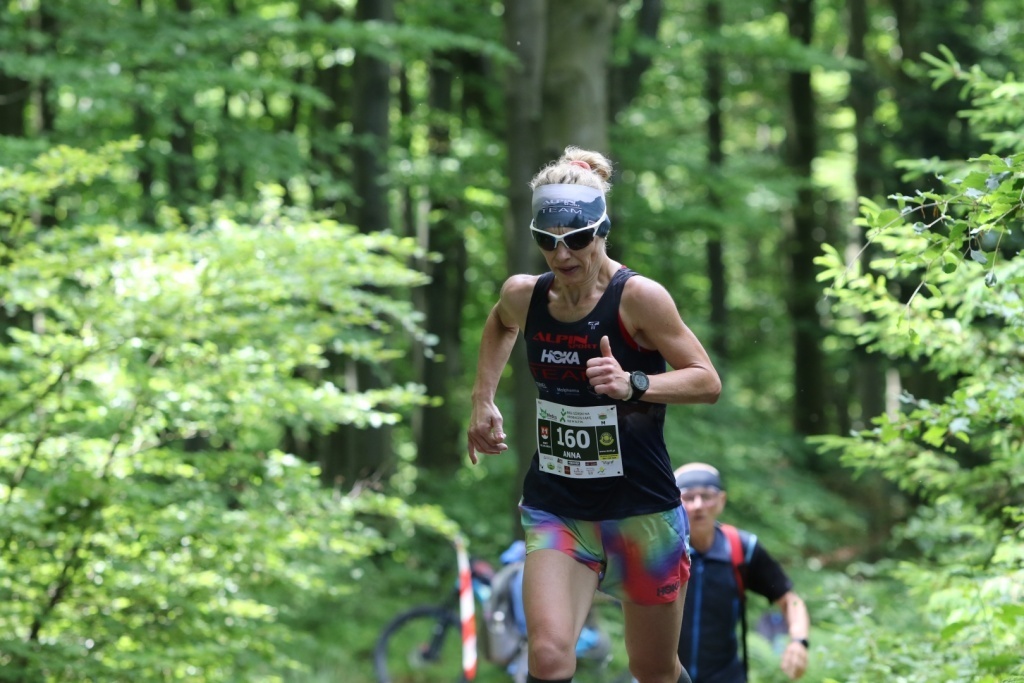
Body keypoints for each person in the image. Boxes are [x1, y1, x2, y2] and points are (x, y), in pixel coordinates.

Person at [466, 146, 722, 683]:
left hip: (640, 510)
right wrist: (482, 400)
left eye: (578, 240)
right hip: (558, 505)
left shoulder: (639, 299)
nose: (562, 256)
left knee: (653, 671)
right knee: (550, 656)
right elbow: (499, 324)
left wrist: (636, 383)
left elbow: (706, 380)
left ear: (603, 229)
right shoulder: (525, 295)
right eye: (548, 242)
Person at [674, 463, 810, 683]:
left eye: (706, 496)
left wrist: (799, 641)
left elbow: (790, 599)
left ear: (721, 500)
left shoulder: (742, 548)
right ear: (675, 503)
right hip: (661, 677)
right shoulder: (660, 551)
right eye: (688, 497)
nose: (698, 505)